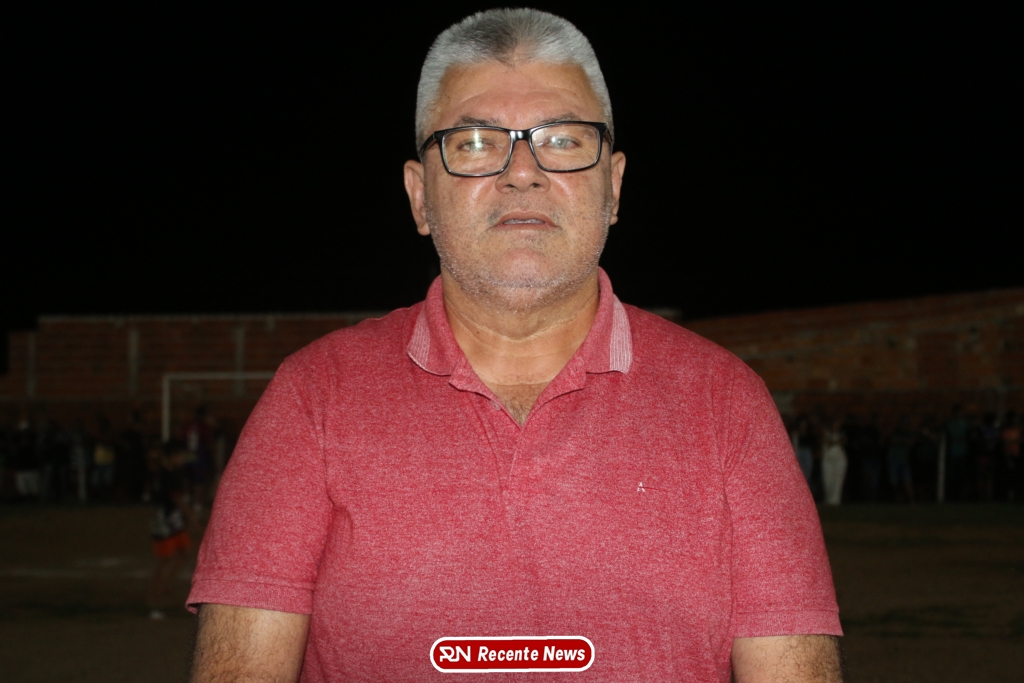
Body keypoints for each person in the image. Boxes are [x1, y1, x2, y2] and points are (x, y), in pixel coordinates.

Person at [187, 9, 842, 682]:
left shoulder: (726, 403)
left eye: (562, 139)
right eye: (474, 142)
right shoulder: (313, 399)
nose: (521, 172)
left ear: (614, 186)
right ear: (420, 196)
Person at [147, 439, 195, 620]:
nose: (183, 459)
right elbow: (177, 499)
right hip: (165, 521)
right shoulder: (166, 475)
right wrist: (191, 516)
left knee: (184, 553)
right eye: (180, 455)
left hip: (173, 520)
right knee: (166, 560)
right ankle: (153, 600)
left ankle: (165, 586)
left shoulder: (168, 473)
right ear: (172, 456)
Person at [821, 418, 848, 506]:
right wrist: (835, 442)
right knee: (828, 480)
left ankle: (836, 501)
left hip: (839, 458)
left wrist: (834, 442)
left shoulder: (842, 433)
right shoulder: (826, 432)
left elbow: (842, 441)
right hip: (828, 459)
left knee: (838, 480)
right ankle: (828, 500)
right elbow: (826, 442)